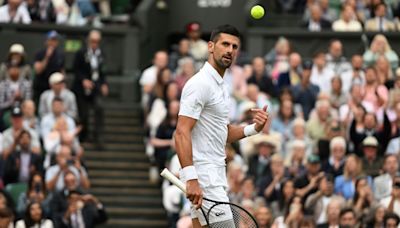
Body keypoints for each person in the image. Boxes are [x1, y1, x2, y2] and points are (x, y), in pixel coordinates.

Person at [175, 24, 269, 227]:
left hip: (213, 175)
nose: (230, 50)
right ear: (210, 46)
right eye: (225, 44)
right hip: (205, 178)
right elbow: (181, 131)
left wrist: (254, 128)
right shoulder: (200, 84)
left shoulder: (221, 86)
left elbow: (223, 133)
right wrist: (191, 178)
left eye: (235, 47)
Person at [72, 30, 108, 143]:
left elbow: (103, 71)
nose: (94, 44)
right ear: (88, 41)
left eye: (97, 41)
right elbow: (76, 69)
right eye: (92, 41)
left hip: (96, 87)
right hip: (82, 89)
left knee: (99, 107)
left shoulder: (101, 54)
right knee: (84, 113)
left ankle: (98, 136)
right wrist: (83, 80)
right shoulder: (81, 53)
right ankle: (83, 136)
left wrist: (104, 84)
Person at [33, 30, 65, 103]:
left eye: (55, 40)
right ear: (46, 41)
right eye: (51, 40)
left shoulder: (60, 55)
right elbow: (38, 70)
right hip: (41, 87)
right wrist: (47, 57)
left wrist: (63, 83)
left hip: (55, 88)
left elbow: (62, 71)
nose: (53, 42)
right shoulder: (39, 54)